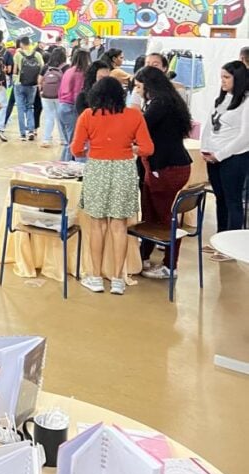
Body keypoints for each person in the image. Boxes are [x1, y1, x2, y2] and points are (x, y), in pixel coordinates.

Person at [72, 77, 154, 295]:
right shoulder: (134, 115)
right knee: (119, 226)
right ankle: (118, 279)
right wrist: (131, 149)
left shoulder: (88, 115)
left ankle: (96, 277)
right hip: (124, 170)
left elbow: (76, 149)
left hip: (97, 169)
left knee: (97, 225)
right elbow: (147, 148)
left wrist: (93, 150)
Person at [132, 66, 193, 279]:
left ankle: (170, 266)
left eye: (139, 87)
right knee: (151, 213)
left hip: (167, 168)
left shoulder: (160, 104)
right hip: (167, 165)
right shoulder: (169, 101)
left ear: (149, 86)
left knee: (166, 218)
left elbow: (139, 129)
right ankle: (144, 255)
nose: (137, 91)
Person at [201, 61, 249, 255]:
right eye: (221, 77)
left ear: (238, 79)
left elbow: (245, 137)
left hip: (234, 158)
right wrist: (206, 150)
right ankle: (220, 241)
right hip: (213, 157)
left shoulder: (246, 101)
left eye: (227, 77)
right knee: (220, 199)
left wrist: (220, 155)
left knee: (233, 201)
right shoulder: (222, 99)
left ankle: (232, 247)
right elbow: (210, 125)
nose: (223, 81)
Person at [58, 49, 91, 160]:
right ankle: (68, 169)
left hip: (62, 106)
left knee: (68, 142)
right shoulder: (81, 74)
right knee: (74, 142)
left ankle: (62, 165)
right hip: (72, 108)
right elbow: (78, 95)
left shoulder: (68, 71)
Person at [13, 36, 44, 141]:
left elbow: (15, 70)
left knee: (20, 109)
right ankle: (31, 130)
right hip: (32, 85)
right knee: (30, 107)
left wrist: (14, 80)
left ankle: (22, 134)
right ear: (30, 43)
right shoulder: (37, 54)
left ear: (21, 44)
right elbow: (42, 68)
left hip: (19, 83)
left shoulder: (18, 54)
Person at [38, 46, 68, 148]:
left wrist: (41, 90)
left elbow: (39, 80)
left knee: (49, 117)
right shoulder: (66, 67)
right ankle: (63, 139)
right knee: (60, 118)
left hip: (46, 96)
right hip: (60, 96)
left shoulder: (46, 67)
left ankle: (46, 140)